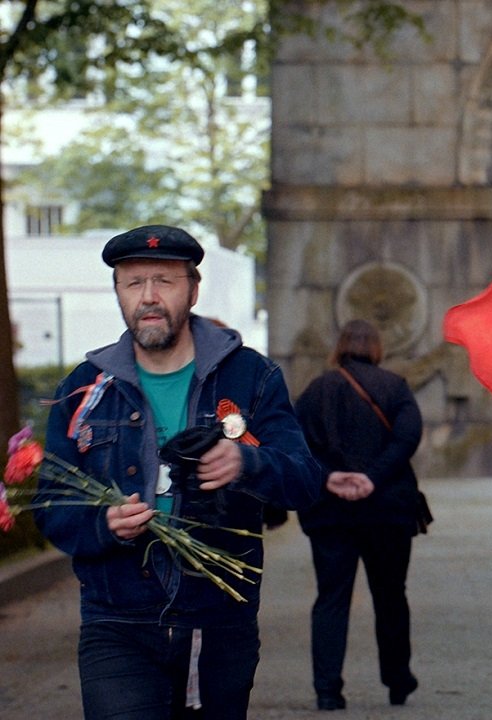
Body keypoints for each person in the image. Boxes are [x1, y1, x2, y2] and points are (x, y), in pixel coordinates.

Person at [34, 224, 326, 719]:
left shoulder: (251, 376)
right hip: (115, 619)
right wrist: (102, 525)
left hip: (217, 621)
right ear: (118, 293)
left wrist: (246, 461)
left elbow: (305, 481)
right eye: (133, 283)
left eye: (164, 281)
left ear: (193, 289)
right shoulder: (84, 388)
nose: (148, 297)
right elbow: (51, 505)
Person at [294, 319, 424, 711]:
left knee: (331, 597)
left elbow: (296, 442)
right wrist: (373, 478)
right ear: (377, 347)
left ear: (340, 348)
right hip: (387, 510)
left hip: (331, 512)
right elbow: (407, 438)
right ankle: (398, 680)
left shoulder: (316, 390)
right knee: (390, 595)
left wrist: (331, 476)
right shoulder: (395, 387)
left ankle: (328, 690)